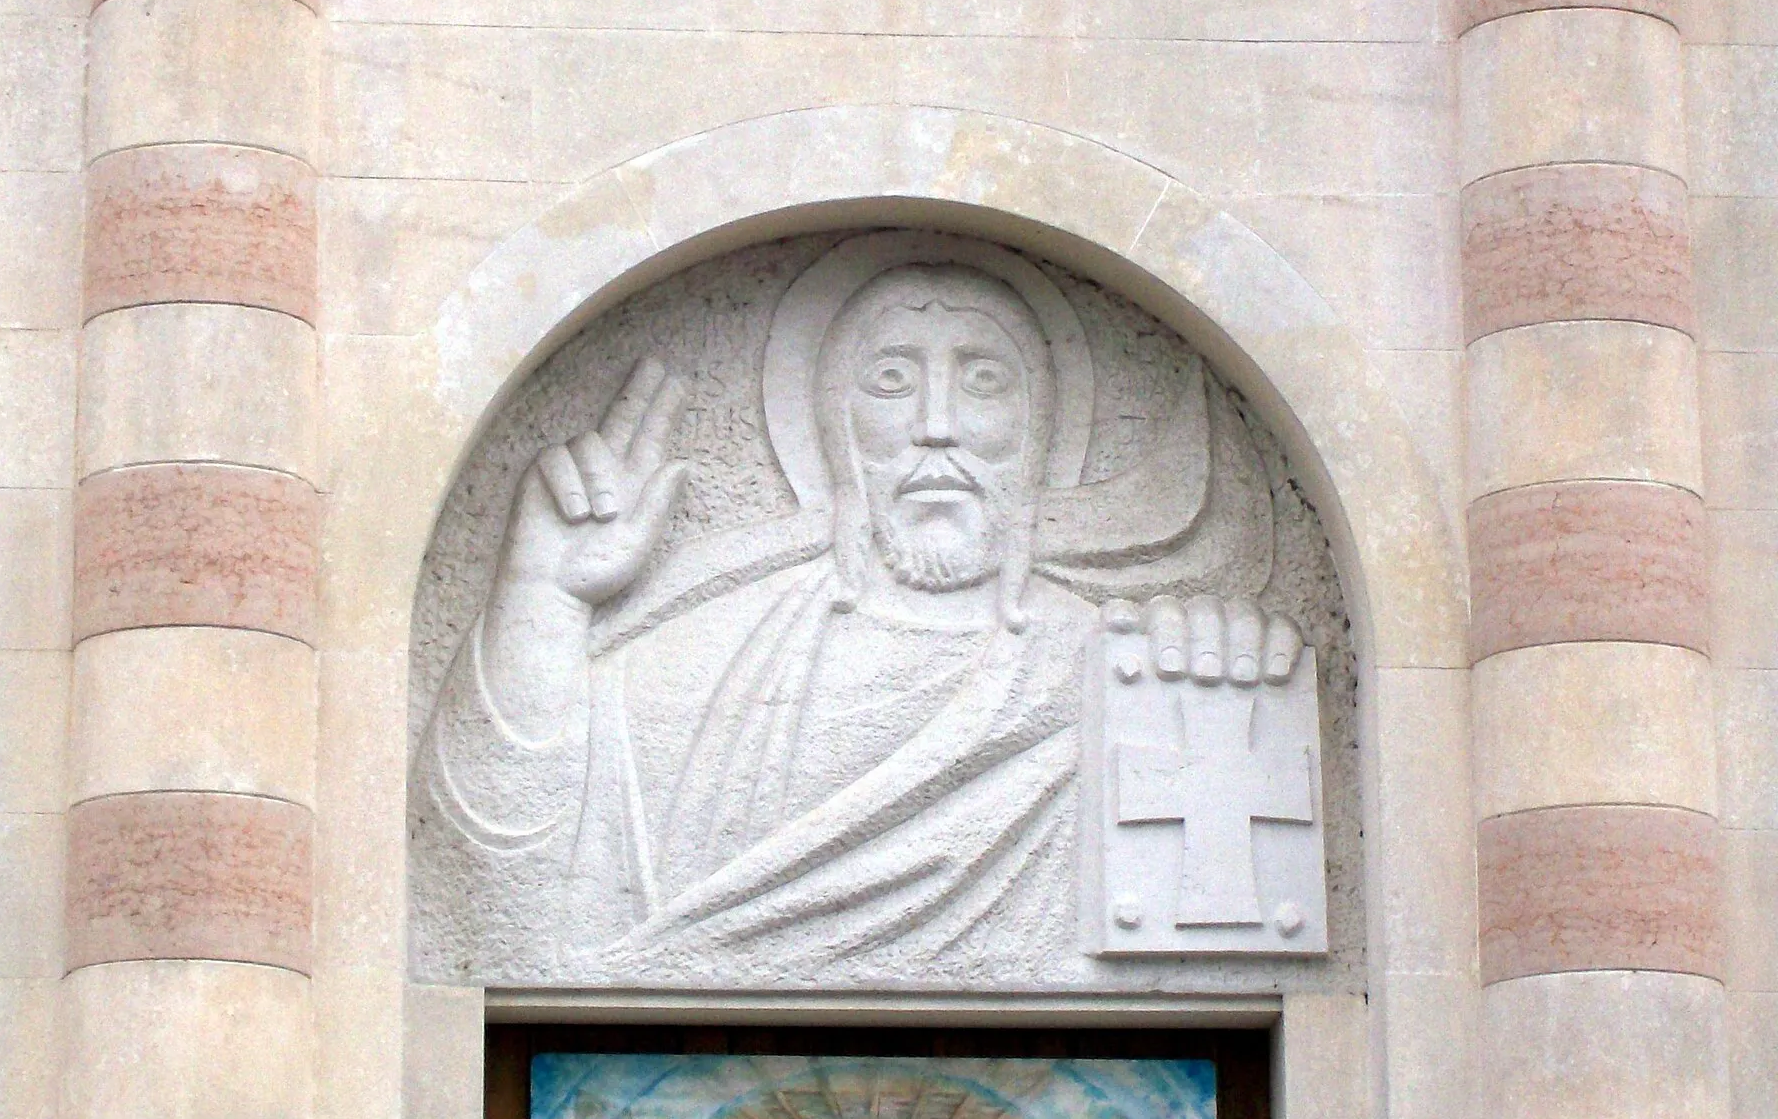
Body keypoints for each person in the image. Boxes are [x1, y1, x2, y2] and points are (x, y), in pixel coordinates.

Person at [411, 235, 1296, 984]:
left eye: (984, 380)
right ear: (835, 431)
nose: (936, 425)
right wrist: (543, 600)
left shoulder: (1114, 667)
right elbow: (495, 892)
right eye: (890, 381)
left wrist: (1220, 676)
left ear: (1042, 433)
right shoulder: (716, 663)